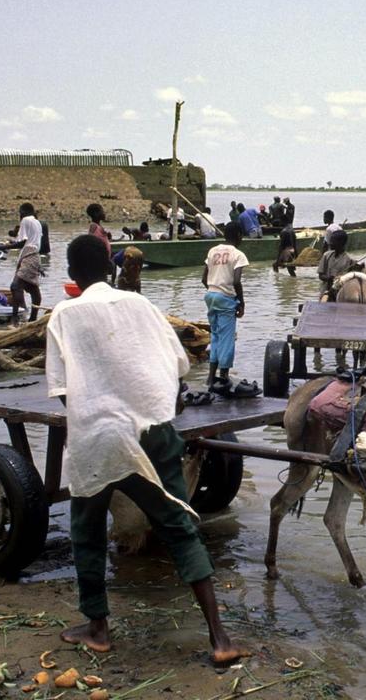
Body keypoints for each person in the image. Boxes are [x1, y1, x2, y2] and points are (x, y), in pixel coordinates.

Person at [45, 234, 247, 665]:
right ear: (111, 267)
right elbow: (176, 366)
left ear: (72, 275)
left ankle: (98, 628)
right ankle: (219, 638)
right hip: (153, 432)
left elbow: (64, 391)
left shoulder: (64, 314)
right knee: (178, 526)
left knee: (87, 528)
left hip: (98, 436)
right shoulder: (142, 306)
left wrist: (97, 417)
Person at [201, 223, 255, 395]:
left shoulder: (212, 251)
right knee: (227, 338)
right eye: (241, 235)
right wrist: (241, 302)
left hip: (211, 295)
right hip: (226, 299)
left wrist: (214, 291)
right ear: (239, 235)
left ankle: (210, 378)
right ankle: (223, 376)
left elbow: (204, 277)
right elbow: (237, 281)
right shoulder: (238, 254)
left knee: (215, 336)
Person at [7, 203, 44, 322]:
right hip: (34, 256)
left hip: (29, 255)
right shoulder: (36, 222)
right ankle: (31, 318)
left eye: (20, 213)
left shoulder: (26, 220)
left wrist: (1, 247)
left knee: (15, 286)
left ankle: (16, 318)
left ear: (22, 212)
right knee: (32, 288)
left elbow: (22, 242)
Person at [317, 229, 363, 300]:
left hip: (341, 294)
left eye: (333, 241)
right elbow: (320, 275)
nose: (330, 243)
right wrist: (329, 278)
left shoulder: (349, 260)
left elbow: (350, 279)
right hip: (325, 292)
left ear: (341, 243)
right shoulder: (326, 256)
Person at [86, 204, 113, 284]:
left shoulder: (99, 226)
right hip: (98, 261)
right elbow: (89, 240)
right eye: (102, 211)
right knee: (99, 281)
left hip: (103, 260)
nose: (104, 213)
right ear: (96, 214)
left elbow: (101, 239)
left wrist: (108, 237)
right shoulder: (93, 226)